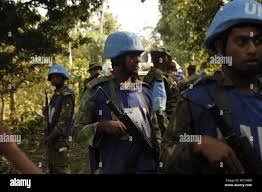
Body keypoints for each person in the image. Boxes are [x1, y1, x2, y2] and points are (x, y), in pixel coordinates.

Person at [161, 0, 262, 174]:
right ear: (220, 47)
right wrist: (197, 144)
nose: (252, 49)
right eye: (241, 41)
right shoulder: (196, 100)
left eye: (258, 41)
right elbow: (164, 159)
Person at [75, 31, 161, 174]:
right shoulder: (96, 91)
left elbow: (155, 130)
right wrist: (102, 126)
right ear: (118, 59)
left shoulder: (144, 90)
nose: (138, 60)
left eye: (138, 55)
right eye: (132, 56)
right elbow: (77, 132)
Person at [43, 64, 75, 174]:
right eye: (52, 77)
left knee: (62, 168)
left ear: (63, 77)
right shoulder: (55, 95)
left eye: (57, 76)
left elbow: (63, 122)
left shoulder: (66, 95)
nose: (54, 79)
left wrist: (50, 137)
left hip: (61, 138)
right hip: (53, 138)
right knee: (53, 168)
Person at [144, 47, 176, 135]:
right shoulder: (158, 76)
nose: (169, 59)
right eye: (167, 57)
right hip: (165, 129)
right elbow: (159, 110)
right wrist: (165, 132)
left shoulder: (157, 74)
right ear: (162, 59)